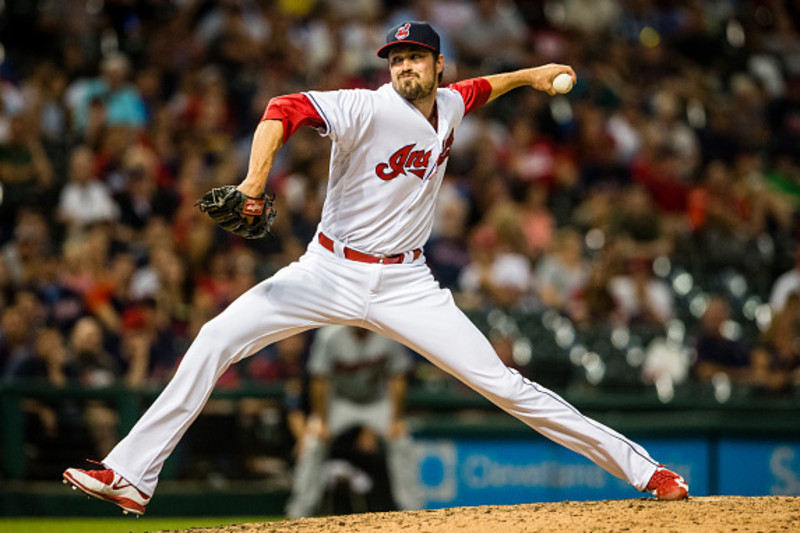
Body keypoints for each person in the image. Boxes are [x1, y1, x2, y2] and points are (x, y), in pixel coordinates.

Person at [63, 22, 688, 516]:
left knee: (504, 385)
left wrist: (533, 74)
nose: (404, 67)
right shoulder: (365, 107)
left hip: (407, 285)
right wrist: (254, 182)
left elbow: (482, 88)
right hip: (326, 271)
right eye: (396, 58)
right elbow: (283, 107)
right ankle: (130, 476)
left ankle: (648, 472)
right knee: (216, 337)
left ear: (438, 65)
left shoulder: (451, 103)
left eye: (415, 57)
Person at [285, 325, 420, 518]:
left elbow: (397, 376)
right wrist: (321, 420)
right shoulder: (329, 335)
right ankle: (298, 513)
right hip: (339, 402)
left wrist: (396, 419)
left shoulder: (387, 332)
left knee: (401, 441)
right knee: (313, 443)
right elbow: (319, 379)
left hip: (377, 401)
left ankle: (413, 510)